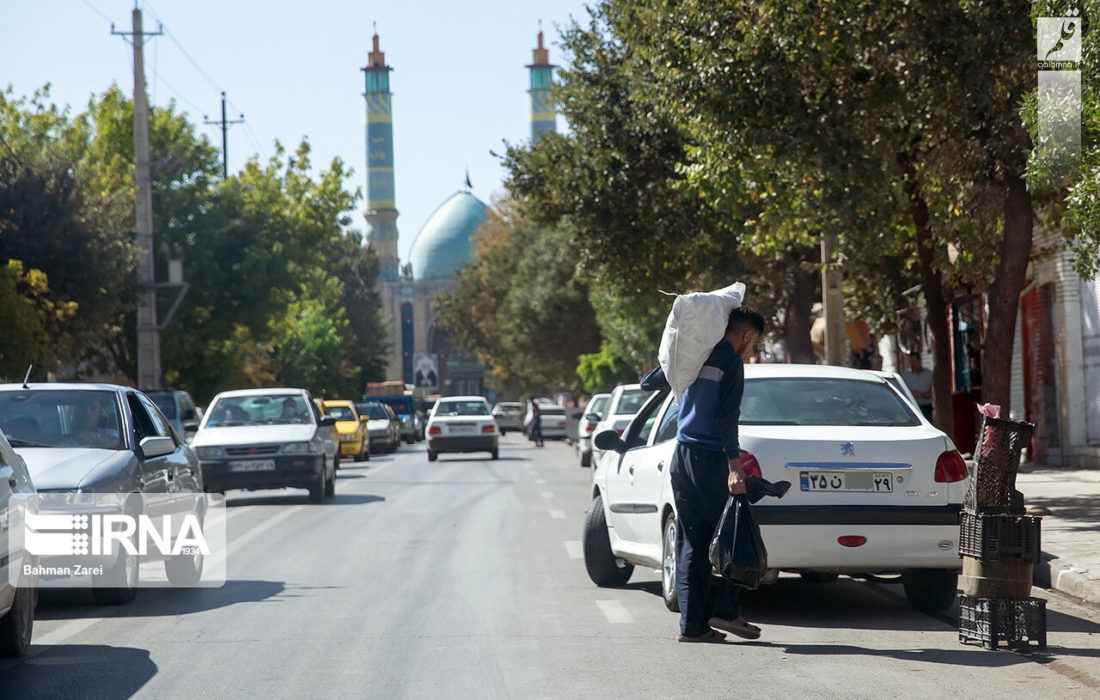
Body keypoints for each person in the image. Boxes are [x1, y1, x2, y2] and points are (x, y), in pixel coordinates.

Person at [641, 305, 766, 643]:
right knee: (731, 535)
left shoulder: (695, 354)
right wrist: (734, 463)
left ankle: (692, 627)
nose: (751, 347)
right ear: (746, 335)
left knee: (691, 543)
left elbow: (648, 382)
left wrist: (676, 356)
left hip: (682, 458)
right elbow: (727, 416)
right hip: (711, 459)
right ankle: (725, 610)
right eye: (753, 342)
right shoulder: (730, 361)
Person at [901, 353, 934, 422]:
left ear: (919, 361)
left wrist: (929, 393)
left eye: (914, 361)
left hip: (926, 406)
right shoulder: (905, 376)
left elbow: (933, 387)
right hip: (913, 407)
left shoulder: (928, 374)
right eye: (911, 362)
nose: (913, 364)